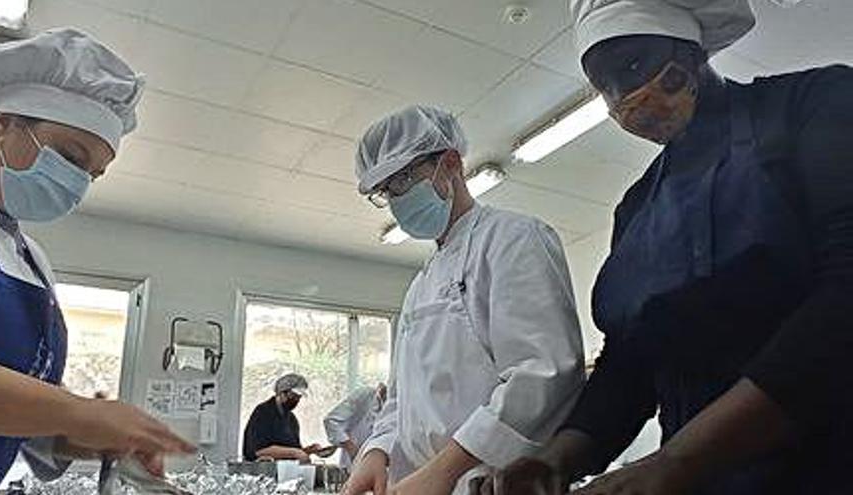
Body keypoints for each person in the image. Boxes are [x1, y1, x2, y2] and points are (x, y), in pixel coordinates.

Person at [490, 0, 853, 494]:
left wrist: (677, 461)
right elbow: (631, 361)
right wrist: (560, 456)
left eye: (633, 66)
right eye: (605, 87)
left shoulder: (813, 105)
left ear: (690, 48)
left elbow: (845, 295)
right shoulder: (638, 206)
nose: (624, 96)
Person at [0, 28, 195, 494]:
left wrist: (93, 438)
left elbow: (13, 416)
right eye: (72, 157)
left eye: (92, 174)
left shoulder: (31, 259)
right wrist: (77, 411)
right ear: (2, 123)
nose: (77, 184)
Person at [342, 105, 586, 495]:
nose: (395, 201)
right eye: (386, 191)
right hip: (421, 483)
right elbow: (403, 399)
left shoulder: (513, 238)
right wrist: (376, 451)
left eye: (403, 180)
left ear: (450, 163)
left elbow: (542, 373)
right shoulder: (420, 284)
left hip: (492, 484)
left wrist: (445, 470)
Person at [242, 373, 322, 462]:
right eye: (293, 396)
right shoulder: (263, 412)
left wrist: (310, 450)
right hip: (263, 470)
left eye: (298, 397)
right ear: (281, 392)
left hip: (286, 470)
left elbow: (295, 450)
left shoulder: (291, 419)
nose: (296, 400)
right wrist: (295, 453)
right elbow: (257, 451)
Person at [323, 383, 387, 469]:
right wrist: (351, 449)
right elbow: (331, 421)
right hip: (352, 468)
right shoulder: (366, 395)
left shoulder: (400, 407)